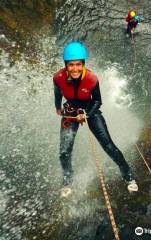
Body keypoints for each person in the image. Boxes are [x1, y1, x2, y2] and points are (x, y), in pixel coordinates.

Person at [53, 41, 138, 195]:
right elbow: (58, 92)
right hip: (70, 110)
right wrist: (57, 106)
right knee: (64, 151)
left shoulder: (91, 78)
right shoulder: (58, 77)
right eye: (71, 65)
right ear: (66, 65)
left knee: (108, 146)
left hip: (90, 110)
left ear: (83, 64)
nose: (75, 69)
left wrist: (86, 114)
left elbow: (98, 100)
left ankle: (129, 176)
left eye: (78, 64)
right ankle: (67, 180)